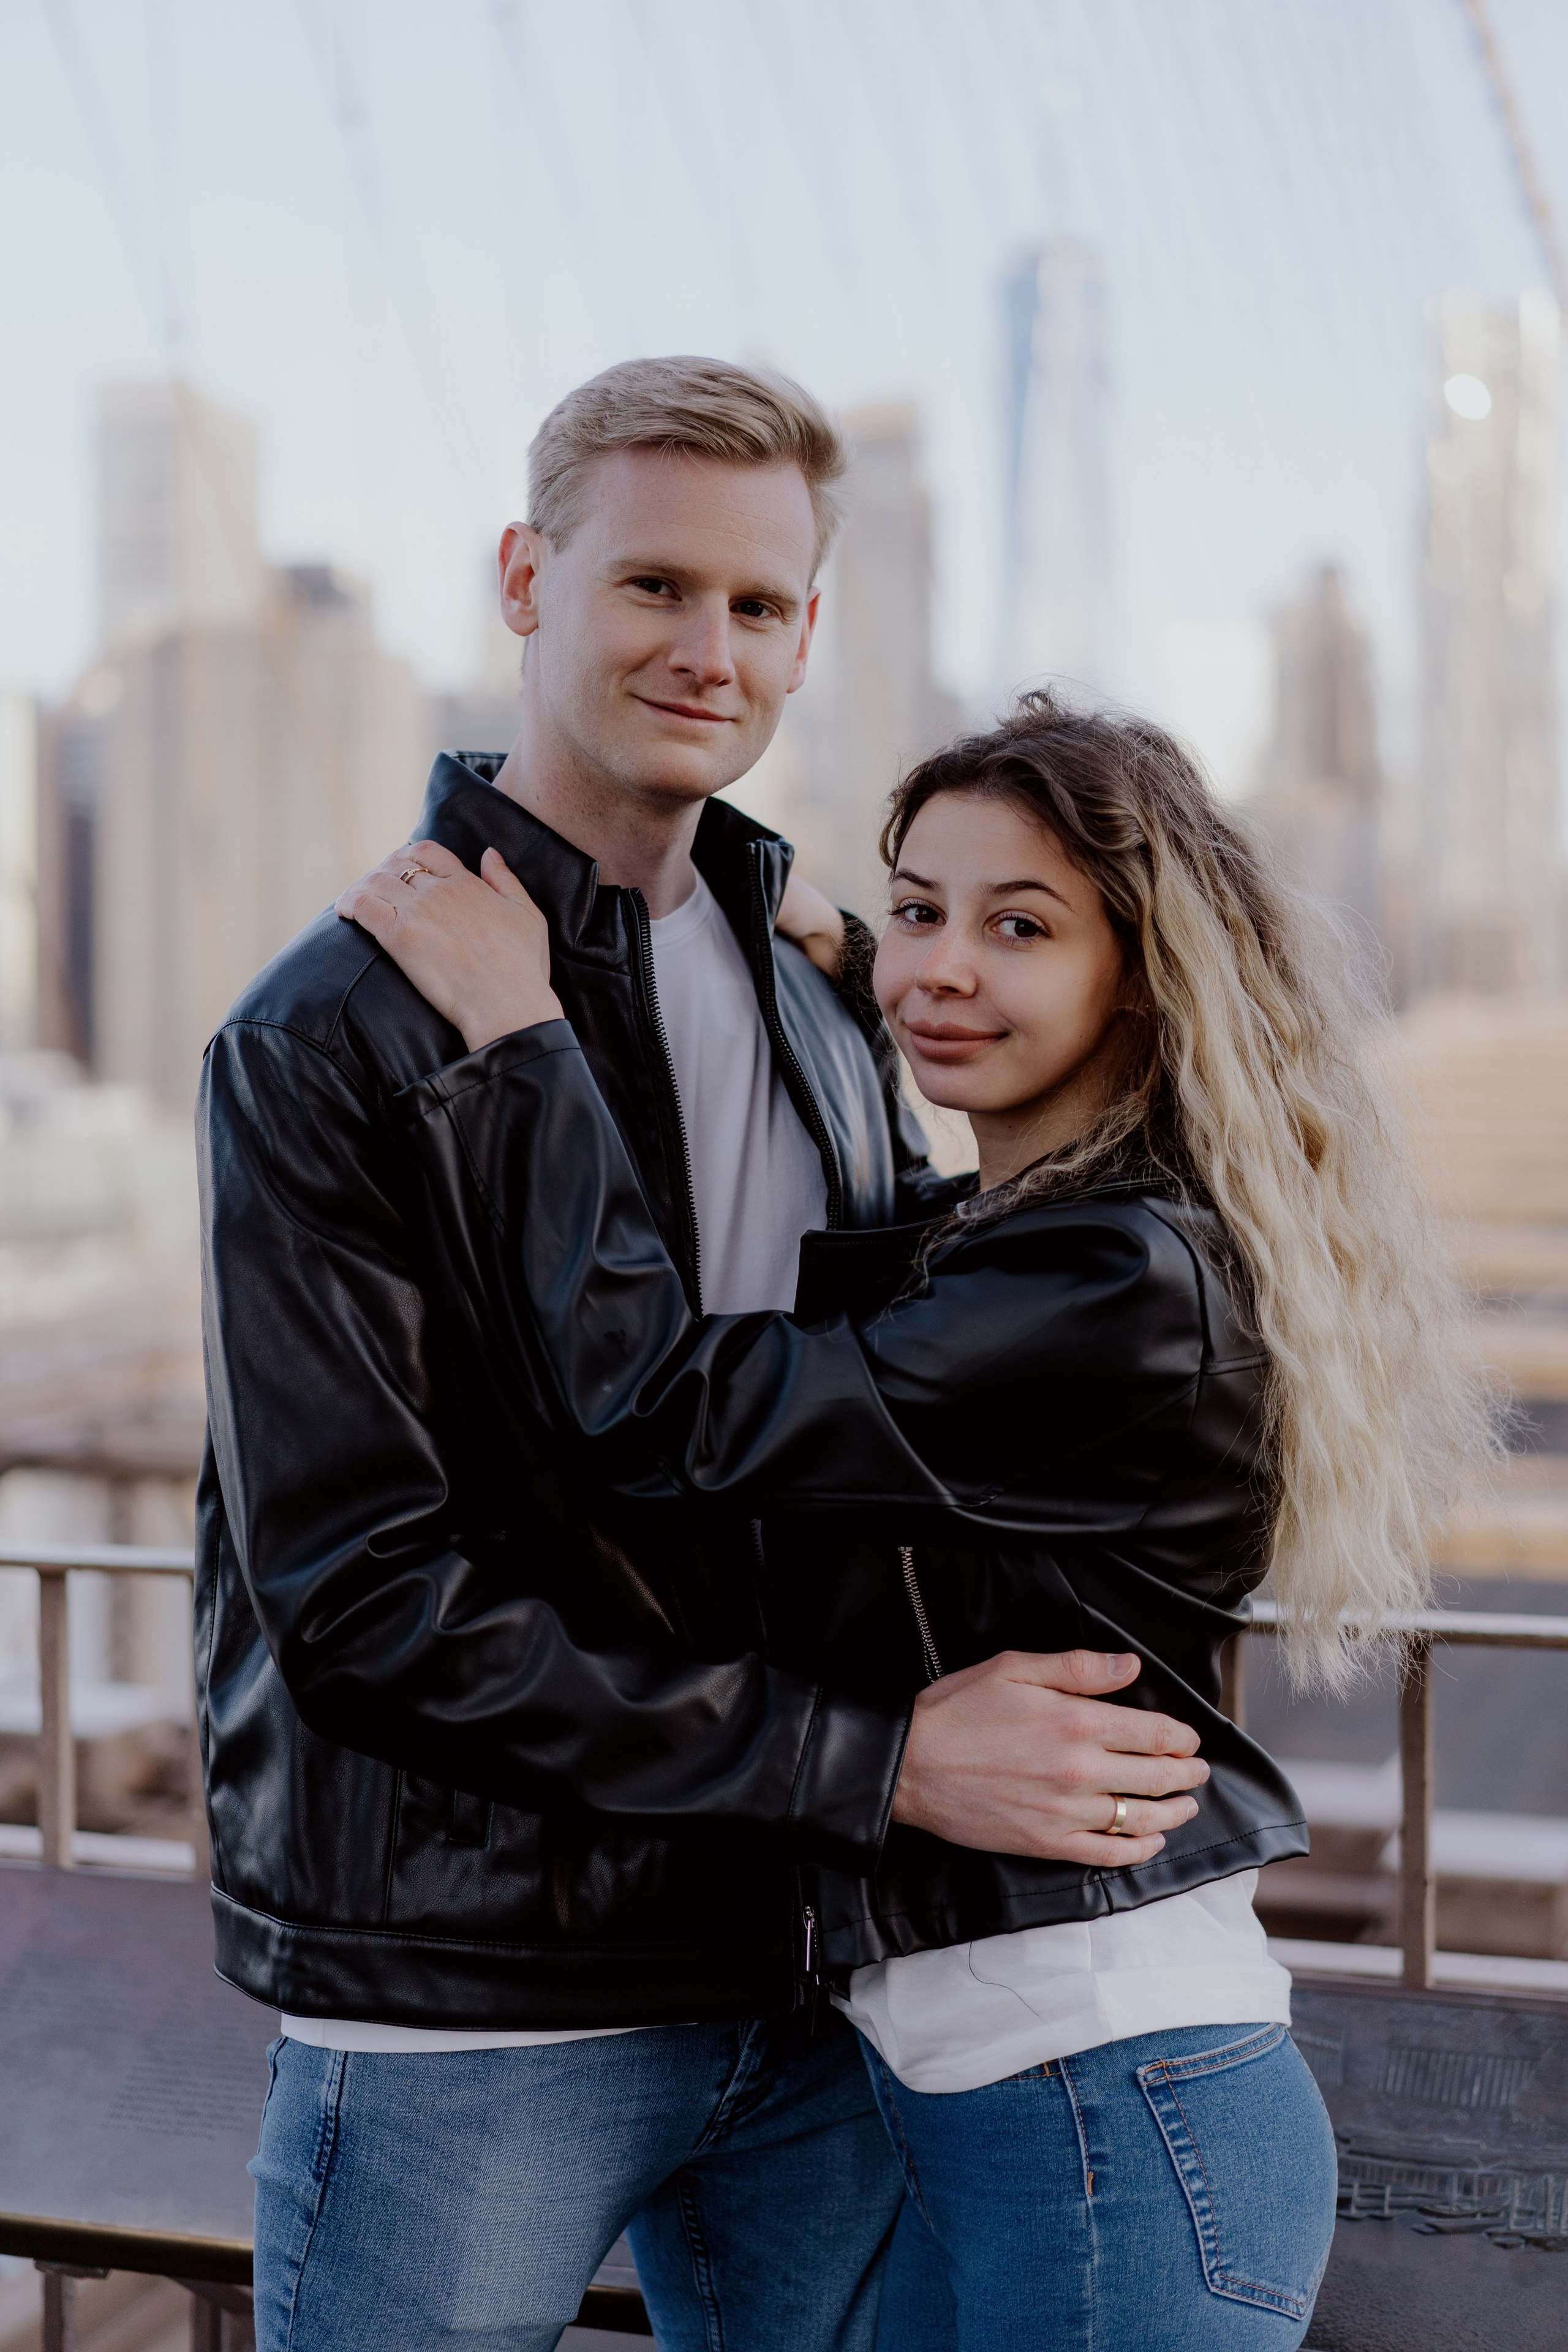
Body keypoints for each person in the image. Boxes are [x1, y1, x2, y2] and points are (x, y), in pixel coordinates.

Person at [198, 360, 1210, 2352]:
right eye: (653, 584)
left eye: (758, 605)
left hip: (811, 1978)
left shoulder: (836, 991)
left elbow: (848, 1411)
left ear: (811, 631)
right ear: (524, 579)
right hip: (476, 2006)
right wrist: (883, 1762)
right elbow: (357, 1599)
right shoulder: (340, 1033)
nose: (707, 647)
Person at [337, 688, 1493, 2351]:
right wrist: (817, 981)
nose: (942, 964)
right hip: (1013, 2097)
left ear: (1142, 974)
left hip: (1105, 2099)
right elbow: (867, 1282)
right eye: (918, 913)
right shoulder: (1038, 1232)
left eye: (1019, 926)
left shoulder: (1115, 1275)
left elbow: (667, 1406)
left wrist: (526, 1046)